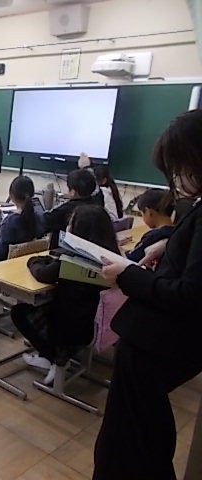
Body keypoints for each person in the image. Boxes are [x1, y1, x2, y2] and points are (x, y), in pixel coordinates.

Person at [93, 109, 202, 480]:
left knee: (133, 443)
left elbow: (191, 295)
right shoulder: (195, 206)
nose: (177, 178)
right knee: (138, 433)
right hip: (149, 342)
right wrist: (168, 244)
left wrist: (128, 275)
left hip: (157, 345)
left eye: (181, 167)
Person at [12, 204, 119, 385]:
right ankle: (52, 356)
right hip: (95, 324)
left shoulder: (75, 259)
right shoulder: (112, 257)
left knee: (19, 312)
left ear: (79, 230)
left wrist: (34, 260)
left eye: (71, 223)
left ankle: (55, 358)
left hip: (69, 328)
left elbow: (42, 274)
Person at [0, 176, 45, 263]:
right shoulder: (39, 217)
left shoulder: (10, 221)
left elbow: (0, 252)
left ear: (11, 196)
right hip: (26, 262)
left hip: (4, 265)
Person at [44, 168, 99, 248]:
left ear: (73, 191)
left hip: (63, 251)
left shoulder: (65, 210)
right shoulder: (97, 203)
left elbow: (43, 223)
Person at [125, 188, 174, 264]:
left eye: (142, 214)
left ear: (148, 212)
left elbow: (130, 257)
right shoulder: (178, 230)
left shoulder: (152, 236)